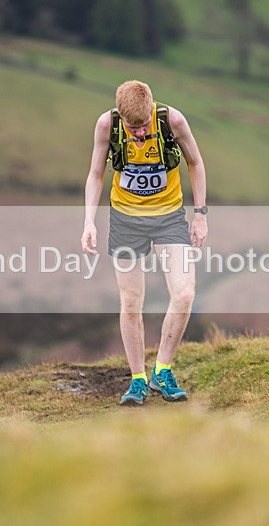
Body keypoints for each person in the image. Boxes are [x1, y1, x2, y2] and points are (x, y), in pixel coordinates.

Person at [81, 80, 208, 406]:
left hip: (169, 217)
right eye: (132, 127)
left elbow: (196, 162)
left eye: (143, 126)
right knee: (131, 301)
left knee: (184, 293)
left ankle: (162, 371)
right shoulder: (106, 125)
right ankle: (137, 379)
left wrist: (200, 215)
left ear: (152, 109)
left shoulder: (172, 121)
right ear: (121, 117)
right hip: (126, 220)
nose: (138, 133)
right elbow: (96, 175)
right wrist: (88, 223)